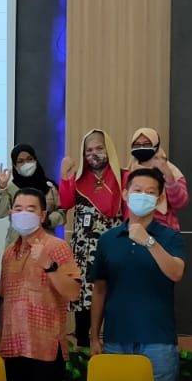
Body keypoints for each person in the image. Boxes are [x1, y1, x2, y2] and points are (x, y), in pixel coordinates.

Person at [88, 168, 186, 381]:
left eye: (150, 192)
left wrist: (149, 242)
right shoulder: (108, 239)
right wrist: (94, 336)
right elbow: (100, 290)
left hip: (158, 340)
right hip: (116, 339)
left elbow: (176, 273)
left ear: (159, 199)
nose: (143, 196)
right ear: (125, 194)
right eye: (138, 190)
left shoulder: (170, 237)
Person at [0, 188, 81, 381]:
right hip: (12, 349)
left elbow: (74, 293)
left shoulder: (57, 246)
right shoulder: (9, 252)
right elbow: (6, 303)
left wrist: (49, 266)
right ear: (11, 213)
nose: (23, 214)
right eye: (18, 209)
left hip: (46, 351)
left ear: (42, 215)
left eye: (30, 209)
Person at [58, 129, 125, 346]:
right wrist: (65, 176)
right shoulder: (79, 179)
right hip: (84, 248)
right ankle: (83, 341)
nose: (93, 154)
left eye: (99, 148)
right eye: (88, 150)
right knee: (84, 295)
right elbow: (66, 203)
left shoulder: (123, 177)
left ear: (108, 150)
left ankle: (112, 343)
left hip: (113, 245)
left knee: (112, 293)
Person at [0, 143, 63, 249]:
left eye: (29, 159)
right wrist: (3, 187)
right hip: (17, 244)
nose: (26, 163)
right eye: (20, 161)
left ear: (35, 160)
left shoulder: (50, 186)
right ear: (15, 166)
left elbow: (61, 212)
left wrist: (47, 220)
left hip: (45, 244)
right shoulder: (10, 188)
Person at [125, 128, 188, 230]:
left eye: (146, 144)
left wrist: (169, 177)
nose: (141, 147)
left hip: (164, 230)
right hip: (133, 229)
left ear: (156, 145)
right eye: (136, 145)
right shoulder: (128, 172)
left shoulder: (171, 171)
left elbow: (180, 203)